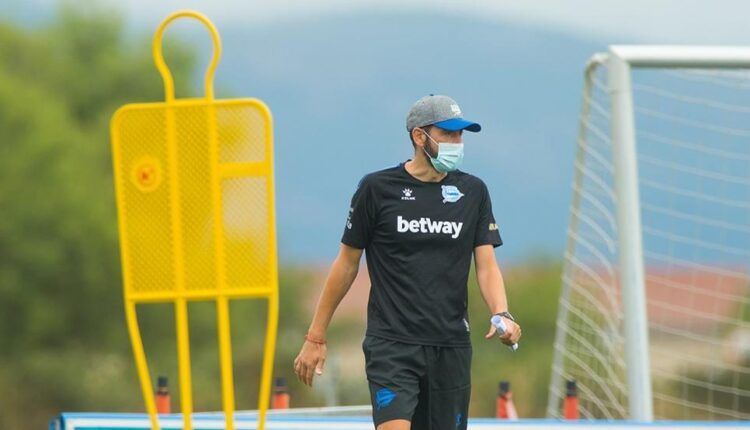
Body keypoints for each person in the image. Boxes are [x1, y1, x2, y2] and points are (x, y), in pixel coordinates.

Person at [294, 94, 522, 430]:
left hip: (451, 346)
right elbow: (346, 264)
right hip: (392, 345)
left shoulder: (474, 191)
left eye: (461, 135)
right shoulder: (377, 188)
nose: (457, 143)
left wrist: (501, 312)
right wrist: (316, 337)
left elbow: (486, 265)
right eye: (448, 134)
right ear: (419, 136)